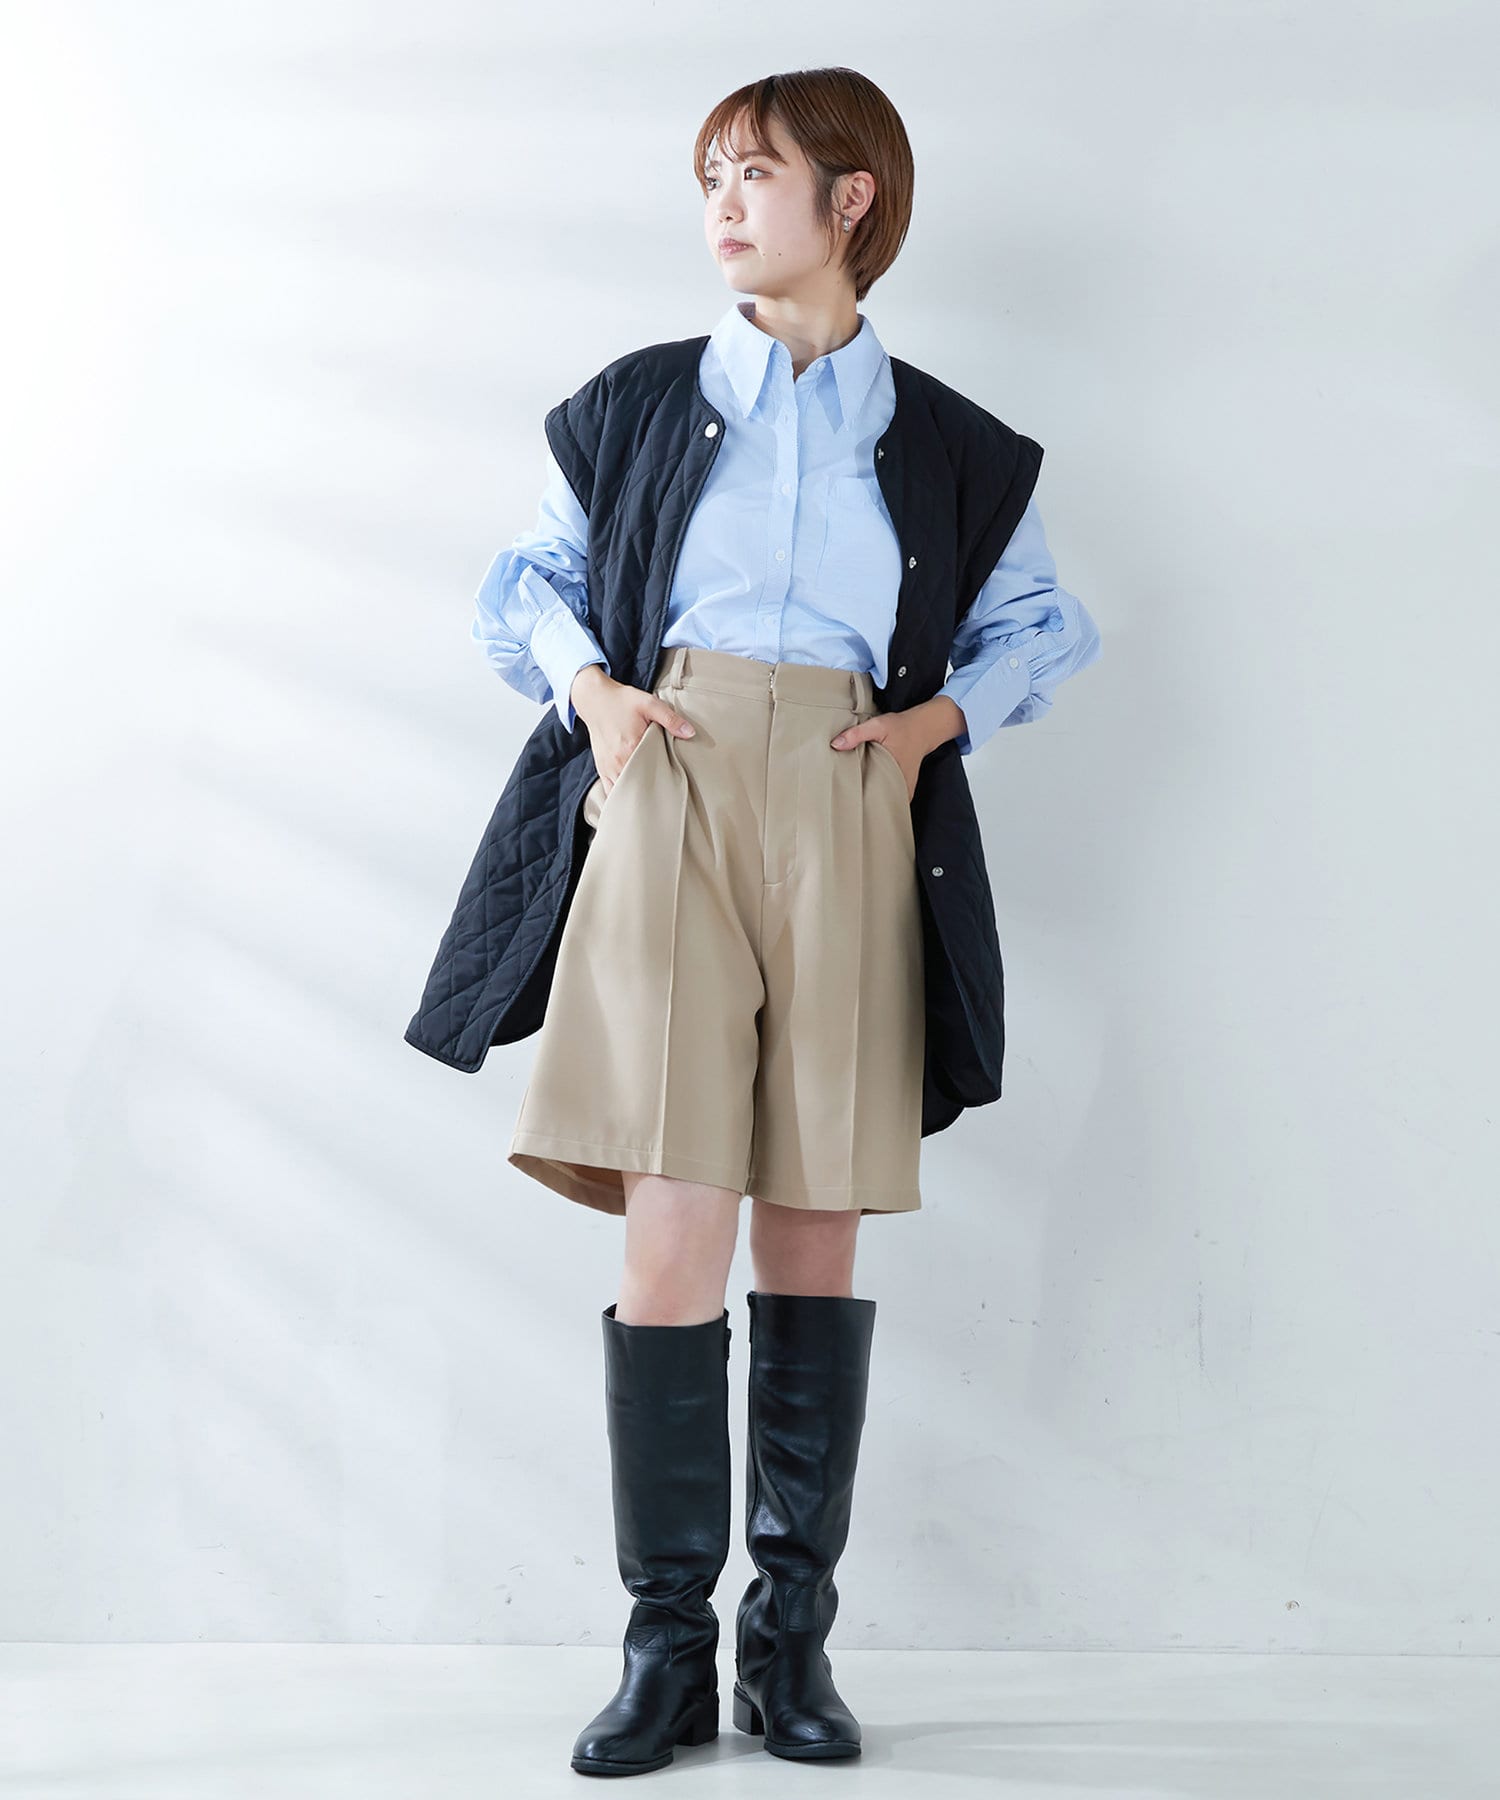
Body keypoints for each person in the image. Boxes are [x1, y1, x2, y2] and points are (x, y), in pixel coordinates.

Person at [461, 68, 1101, 1777]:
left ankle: (789, 1649)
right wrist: (593, 693)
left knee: (813, 1224)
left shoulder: (953, 443)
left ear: (853, 199)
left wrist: (934, 725)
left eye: (756, 173)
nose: (724, 206)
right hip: (667, 777)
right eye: (712, 179)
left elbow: (1045, 623)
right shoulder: (638, 403)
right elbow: (524, 585)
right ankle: (664, 1653)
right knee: (672, 1220)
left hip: (845, 791)